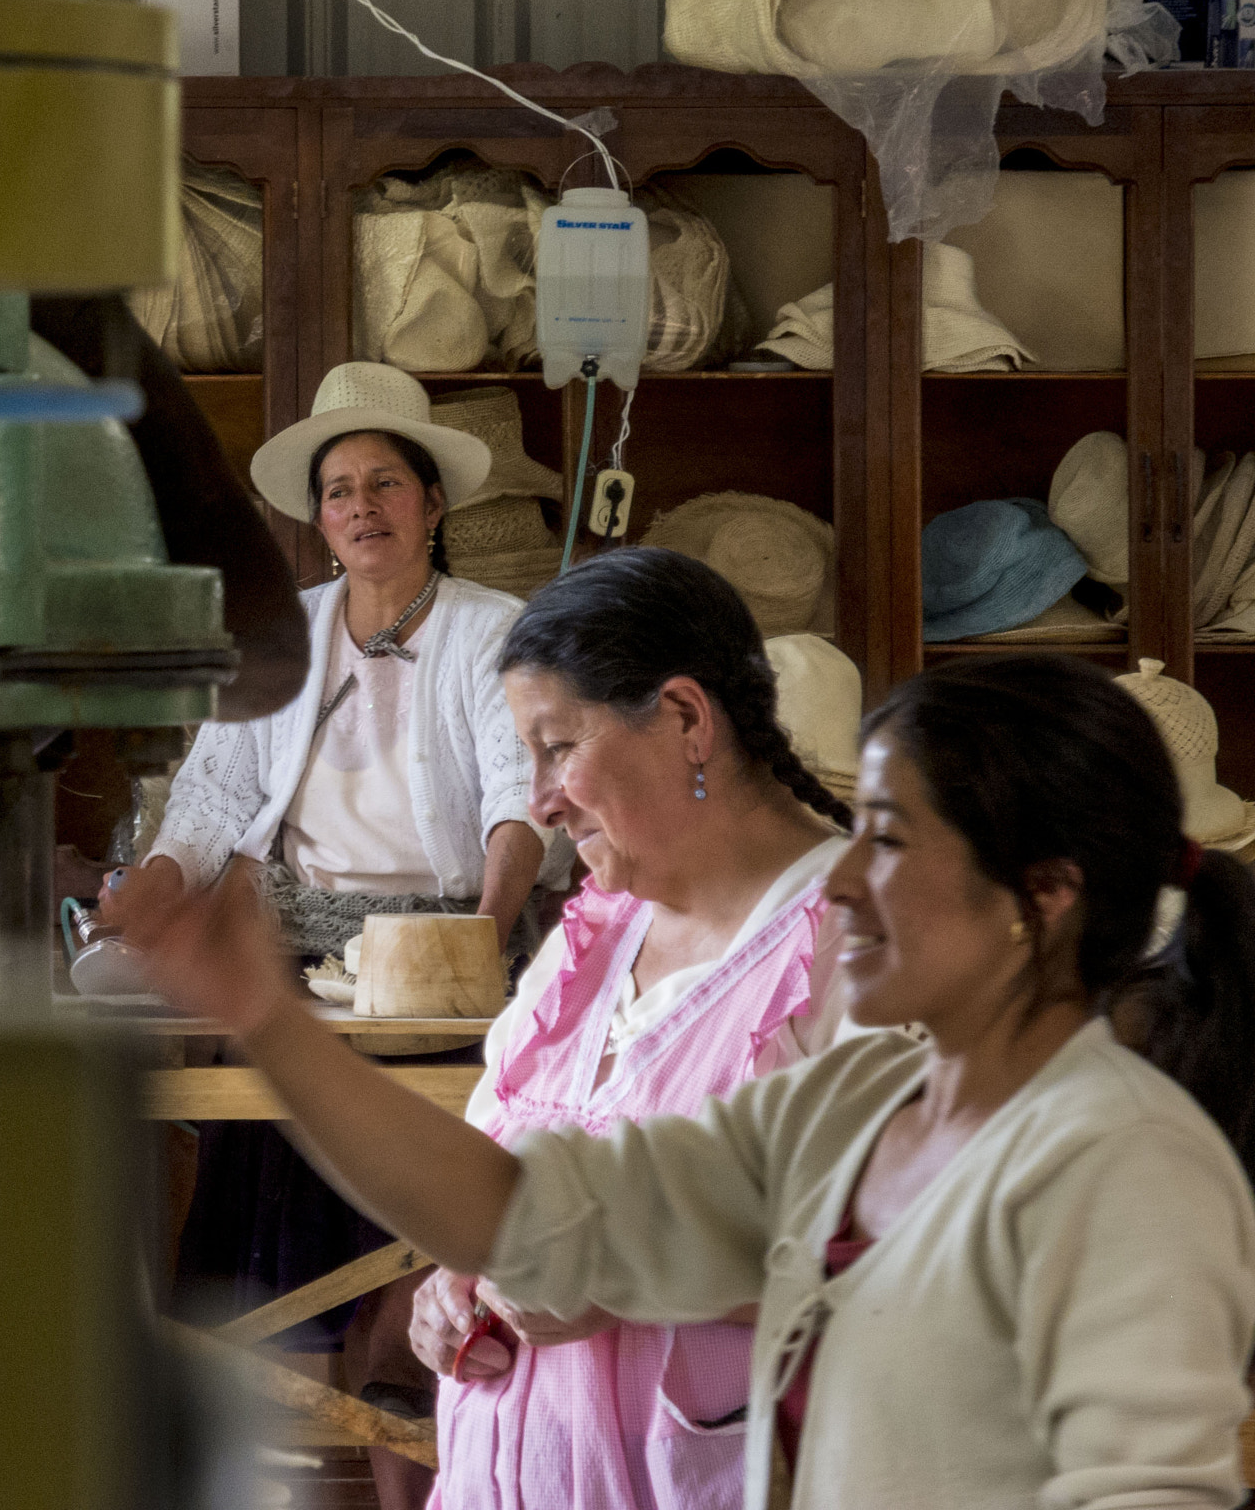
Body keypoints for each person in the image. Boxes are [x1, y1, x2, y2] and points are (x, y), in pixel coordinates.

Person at [132, 651, 1255, 1510]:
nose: (847, 880)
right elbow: (520, 1215)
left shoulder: (1122, 1165)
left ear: (1041, 895)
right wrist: (266, 1021)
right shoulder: (847, 1114)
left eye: (889, 840)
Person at [96, 360, 560, 1510]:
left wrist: (475, 944)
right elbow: (207, 801)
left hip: (441, 957)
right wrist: (149, 890)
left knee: (416, 1294)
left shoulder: (490, 631)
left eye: (385, 484)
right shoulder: (286, 635)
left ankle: (421, 1483)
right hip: (301, 966)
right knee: (278, 1286)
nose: (362, 506)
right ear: (318, 517)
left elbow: (517, 797)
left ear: (432, 505)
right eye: (340, 489)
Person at [390, 551, 856, 1510]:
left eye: (557, 747)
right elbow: (499, 1182)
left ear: (687, 718)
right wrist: (454, 1282)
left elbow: (935, 1271)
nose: (539, 799)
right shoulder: (595, 936)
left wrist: (630, 1281)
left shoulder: (861, 942)